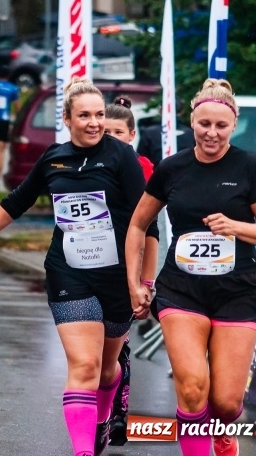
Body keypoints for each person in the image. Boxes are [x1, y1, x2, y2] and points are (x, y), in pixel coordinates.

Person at [0, 78, 156, 456]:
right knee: (83, 365)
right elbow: (15, 202)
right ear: (66, 118)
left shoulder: (121, 157)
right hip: (69, 272)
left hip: (116, 277)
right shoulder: (53, 158)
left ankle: (101, 419)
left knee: (107, 369)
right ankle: (81, 451)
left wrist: (144, 281)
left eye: (98, 114)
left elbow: (147, 224)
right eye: (84, 115)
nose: (94, 122)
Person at [125, 79, 256, 456]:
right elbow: (137, 224)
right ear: (192, 122)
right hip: (182, 290)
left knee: (226, 403)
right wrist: (135, 282)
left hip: (238, 291)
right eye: (204, 124)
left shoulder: (249, 167)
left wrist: (236, 226)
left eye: (221, 126)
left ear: (234, 124)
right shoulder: (172, 167)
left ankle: (223, 435)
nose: (211, 133)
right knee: (193, 388)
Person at [102, 96, 159, 446]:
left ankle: (118, 414)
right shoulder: (87, 162)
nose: (111, 137)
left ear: (132, 134)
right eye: (106, 131)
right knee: (93, 352)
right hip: (90, 266)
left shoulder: (142, 168)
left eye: (118, 132)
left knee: (118, 348)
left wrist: (145, 281)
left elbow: (149, 232)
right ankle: (97, 412)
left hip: (129, 267)